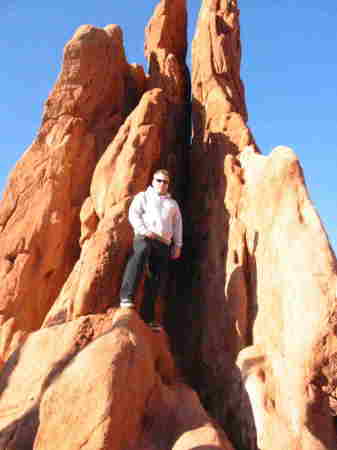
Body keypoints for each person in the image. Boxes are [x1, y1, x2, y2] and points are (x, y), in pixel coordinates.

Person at [119, 169, 183, 329]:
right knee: (139, 255)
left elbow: (177, 226)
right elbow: (134, 214)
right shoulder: (143, 196)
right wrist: (142, 229)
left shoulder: (172, 204)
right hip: (145, 236)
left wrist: (178, 245)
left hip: (164, 243)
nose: (162, 184)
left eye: (165, 182)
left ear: (168, 185)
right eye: (159, 180)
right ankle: (126, 298)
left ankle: (148, 318)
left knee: (156, 278)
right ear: (153, 181)